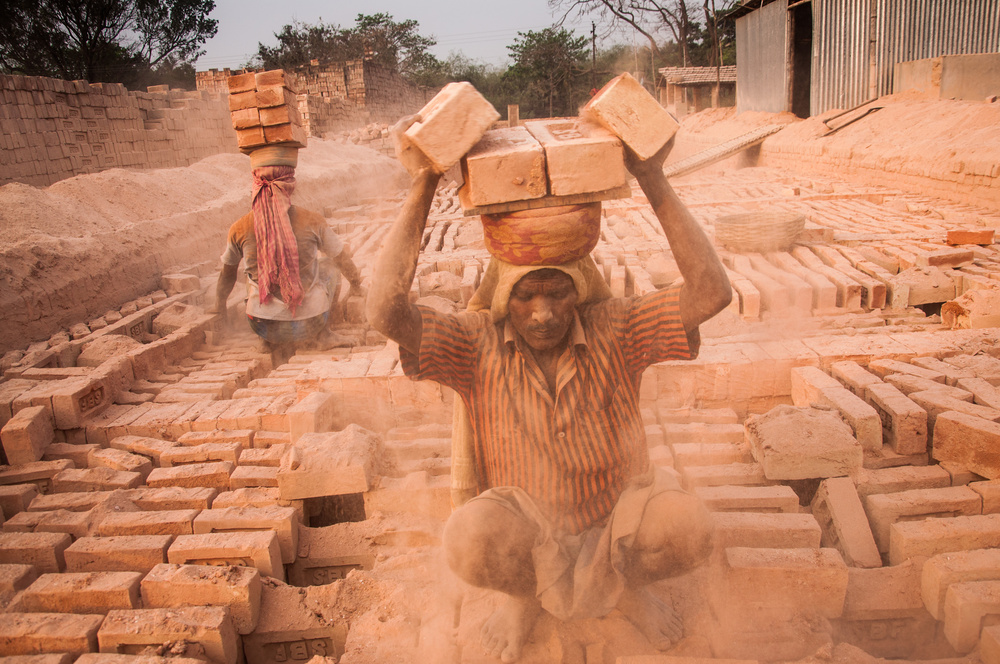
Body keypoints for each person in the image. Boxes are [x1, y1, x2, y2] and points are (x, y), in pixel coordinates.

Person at [368, 115, 732, 663]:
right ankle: (522, 598)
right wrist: (425, 182)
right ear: (502, 299)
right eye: (525, 296)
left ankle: (630, 590)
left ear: (579, 289)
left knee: (688, 528)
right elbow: (385, 311)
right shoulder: (475, 342)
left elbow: (710, 292)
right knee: (467, 539)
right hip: (528, 527)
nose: (542, 314)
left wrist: (652, 176)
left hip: (616, 518)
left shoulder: (617, 327)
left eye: (558, 293)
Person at [211, 148, 364, 352]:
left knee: (254, 275)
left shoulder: (239, 227)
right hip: (310, 323)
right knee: (329, 266)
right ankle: (324, 335)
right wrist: (356, 284)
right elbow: (342, 259)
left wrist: (220, 305)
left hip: (262, 326)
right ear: (289, 186)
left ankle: (266, 343)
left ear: (256, 187)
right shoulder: (312, 221)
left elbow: (227, 276)